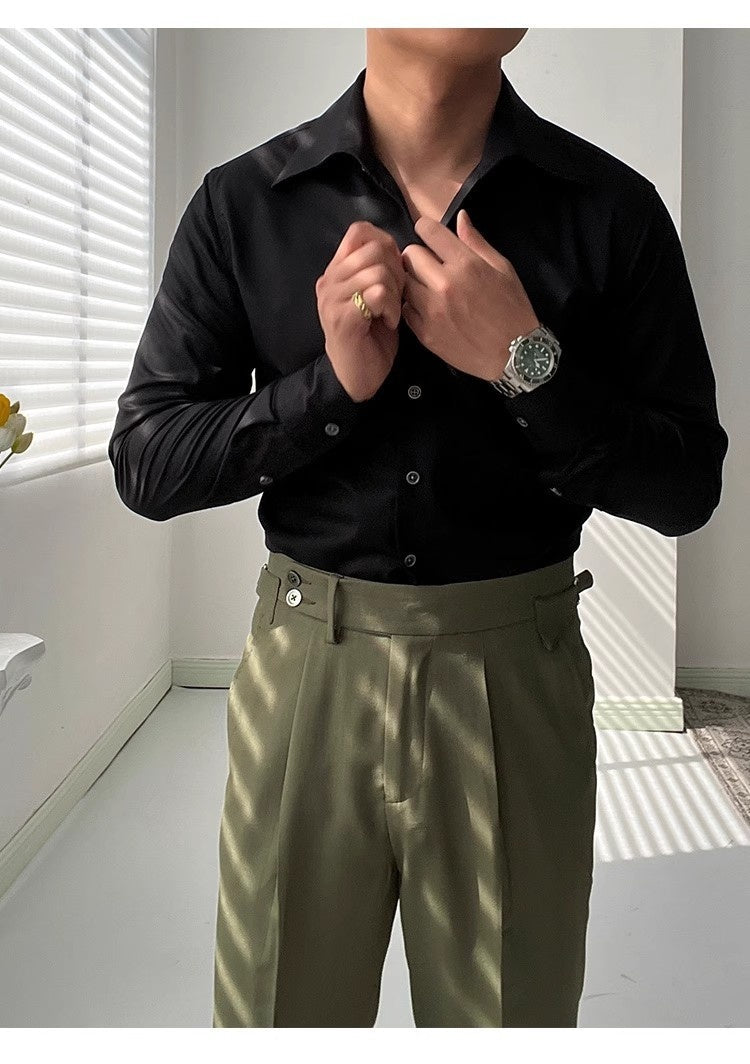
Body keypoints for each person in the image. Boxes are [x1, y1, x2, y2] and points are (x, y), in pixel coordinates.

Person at [108, 29, 729, 1027]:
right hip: (306, 671)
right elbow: (147, 462)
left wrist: (526, 361)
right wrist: (327, 390)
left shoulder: (610, 208)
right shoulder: (245, 202)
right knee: (278, 1018)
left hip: (516, 682)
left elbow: (686, 485)